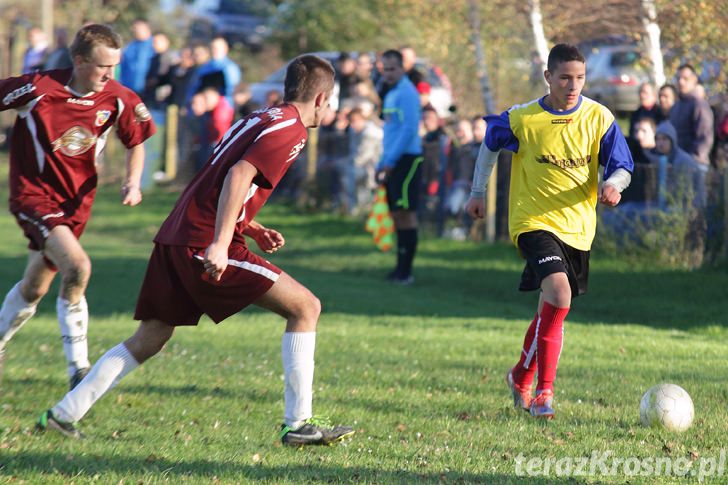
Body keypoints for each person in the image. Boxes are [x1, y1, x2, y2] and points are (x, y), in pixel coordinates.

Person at [35, 54, 355, 447]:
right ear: (322, 98)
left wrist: (250, 227)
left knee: (150, 336)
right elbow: (238, 175)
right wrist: (222, 243)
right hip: (203, 240)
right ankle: (298, 423)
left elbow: (217, 178)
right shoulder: (292, 129)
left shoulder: (262, 117)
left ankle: (63, 414)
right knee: (306, 307)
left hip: (177, 233)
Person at [465, 44, 633, 419]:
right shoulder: (523, 118)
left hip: (578, 228)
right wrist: (478, 193)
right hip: (532, 222)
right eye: (565, 78)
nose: (573, 86)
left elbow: (623, 165)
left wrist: (614, 185)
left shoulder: (598, 117)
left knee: (551, 308)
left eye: (580, 78)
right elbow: (489, 145)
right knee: (559, 293)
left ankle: (520, 376)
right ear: (548, 77)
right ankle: (544, 392)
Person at [0, 24, 156, 389]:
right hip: (34, 197)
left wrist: (133, 181)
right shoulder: (38, 88)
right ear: (79, 61)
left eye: (114, 67)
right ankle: (79, 372)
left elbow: (137, 141)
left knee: (35, 287)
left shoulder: (118, 97)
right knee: (79, 267)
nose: (109, 75)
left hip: (76, 207)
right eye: (103, 66)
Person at [375, 49, 423, 285]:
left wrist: (391, 161)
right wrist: (381, 161)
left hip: (407, 160)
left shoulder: (407, 93)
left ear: (403, 69)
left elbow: (408, 130)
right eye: (385, 68)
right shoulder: (390, 93)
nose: (389, 73)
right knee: (397, 215)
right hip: (393, 159)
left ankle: (406, 272)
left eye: (393, 68)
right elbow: (389, 132)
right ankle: (399, 268)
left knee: (406, 214)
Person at [670, 65, 714, 169]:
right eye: (678, 78)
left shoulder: (699, 104)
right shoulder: (676, 106)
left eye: (685, 79)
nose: (681, 82)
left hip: (695, 165)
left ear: (694, 80)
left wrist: (694, 160)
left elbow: (705, 137)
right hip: (677, 163)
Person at [119, 18, 154, 95]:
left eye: (137, 28)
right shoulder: (130, 46)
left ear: (146, 28)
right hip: (126, 89)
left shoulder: (155, 45)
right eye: (134, 28)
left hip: (146, 92)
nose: (134, 30)